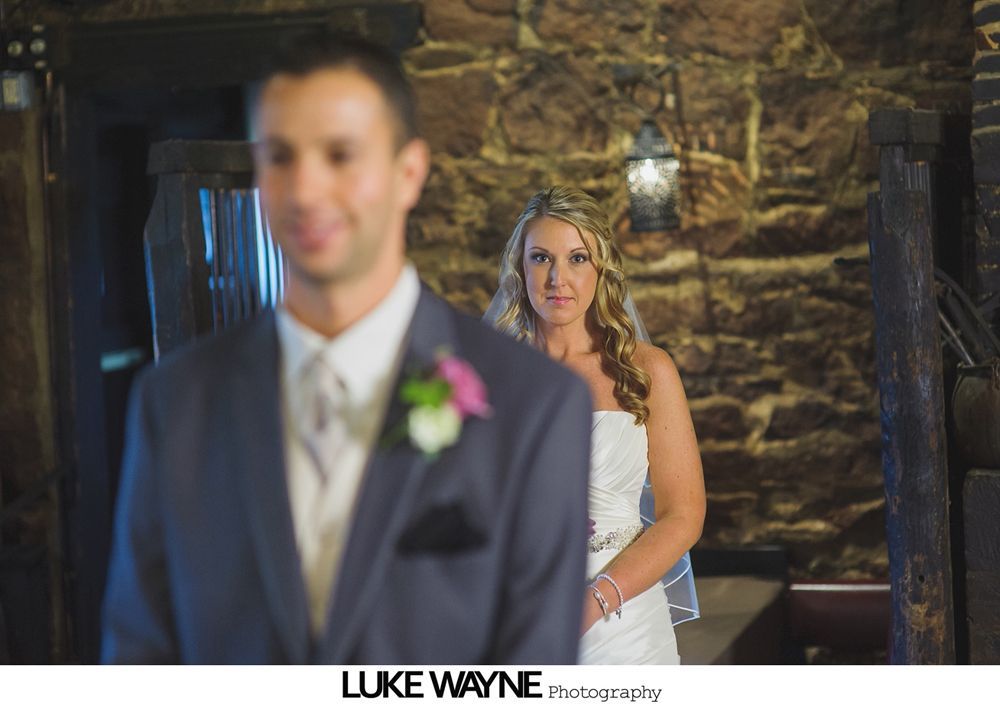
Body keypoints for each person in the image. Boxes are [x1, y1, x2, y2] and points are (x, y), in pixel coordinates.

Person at [101, 35, 593, 664]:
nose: (306, 190)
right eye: (280, 156)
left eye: (341, 155)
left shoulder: (534, 405)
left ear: (408, 172)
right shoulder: (175, 402)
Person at [485, 186, 706, 664]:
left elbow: (683, 514)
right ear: (520, 267)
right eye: (541, 258)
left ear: (601, 267)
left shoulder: (646, 370)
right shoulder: (490, 375)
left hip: (625, 623)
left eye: (577, 258)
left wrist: (593, 601)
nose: (557, 278)